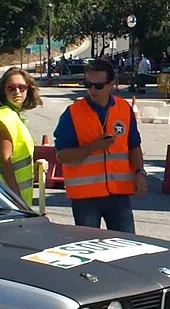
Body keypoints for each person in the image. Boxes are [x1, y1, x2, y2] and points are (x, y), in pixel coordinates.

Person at [52, 58, 145, 232]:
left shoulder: (124, 109)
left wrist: (140, 173)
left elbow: (134, 145)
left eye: (99, 86)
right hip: (86, 198)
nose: (92, 90)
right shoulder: (72, 113)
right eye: (88, 84)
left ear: (112, 84)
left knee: (126, 247)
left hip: (118, 194)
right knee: (90, 248)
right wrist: (92, 147)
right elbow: (62, 156)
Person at [0, 67, 43, 204]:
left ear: (28, 89)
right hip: (4, 200)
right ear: (4, 90)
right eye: (11, 88)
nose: (17, 92)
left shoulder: (13, 116)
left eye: (21, 88)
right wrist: (16, 198)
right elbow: (5, 161)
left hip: (2, 197)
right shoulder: (5, 117)